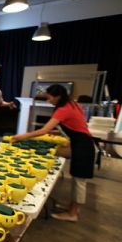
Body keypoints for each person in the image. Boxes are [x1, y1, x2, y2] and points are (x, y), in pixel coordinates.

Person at [12, 84, 95, 222]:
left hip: (83, 146)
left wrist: (22, 136)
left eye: (49, 98)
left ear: (58, 97)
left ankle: (73, 213)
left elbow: (43, 130)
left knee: (79, 181)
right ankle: (72, 207)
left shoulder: (63, 109)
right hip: (83, 143)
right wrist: (56, 131)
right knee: (77, 178)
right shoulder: (72, 104)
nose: (48, 100)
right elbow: (76, 125)